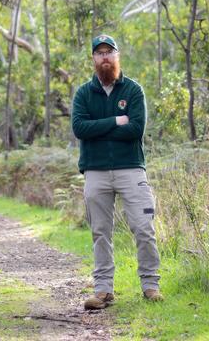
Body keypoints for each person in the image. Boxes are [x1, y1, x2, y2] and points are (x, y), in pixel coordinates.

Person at [71, 34, 163, 310]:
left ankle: (150, 285)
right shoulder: (84, 93)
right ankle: (102, 290)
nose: (105, 57)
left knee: (144, 227)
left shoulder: (133, 90)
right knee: (100, 232)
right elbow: (79, 129)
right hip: (96, 172)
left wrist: (98, 128)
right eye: (99, 53)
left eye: (109, 52)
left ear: (117, 55)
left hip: (131, 170)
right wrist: (115, 121)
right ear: (93, 59)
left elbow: (135, 129)